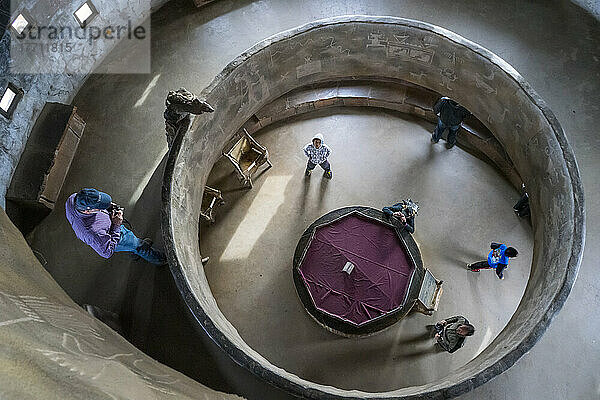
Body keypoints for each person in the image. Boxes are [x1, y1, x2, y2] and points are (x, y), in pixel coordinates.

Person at [65, 188, 166, 265]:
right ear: (88, 211)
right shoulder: (92, 233)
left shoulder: (73, 199)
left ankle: (134, 251)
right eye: (99, 207)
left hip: (110, 226)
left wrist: (108, 206)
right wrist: (116, 225)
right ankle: (159, 259)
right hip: (115, 237)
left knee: (131, 246)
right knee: (137, 244)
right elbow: (107, 252)